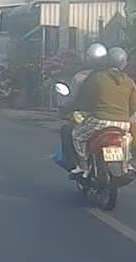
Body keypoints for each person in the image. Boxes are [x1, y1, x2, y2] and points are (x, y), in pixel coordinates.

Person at [70, 46, 136, 176]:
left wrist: (86, 110)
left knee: (76, 136)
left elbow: (85, 99)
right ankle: (126, 165)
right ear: (124, 64)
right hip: (123, 123)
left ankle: (83, 167)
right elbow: (135, 104)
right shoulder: (130, 82)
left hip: (99, 121)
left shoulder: (96, 78)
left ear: (106, 61)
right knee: (127, 138)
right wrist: (124, 116)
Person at [59, 43, 108, 171]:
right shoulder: (114, 77)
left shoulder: (81, 77)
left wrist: (64, 109)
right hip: (117, 119)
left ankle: (79, 165)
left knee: (69, 132)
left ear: (88, 58)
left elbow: (72, 99)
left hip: (91, 118)